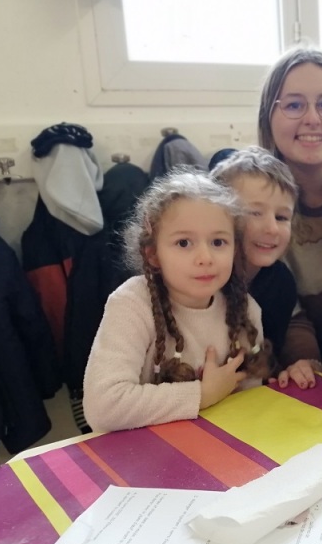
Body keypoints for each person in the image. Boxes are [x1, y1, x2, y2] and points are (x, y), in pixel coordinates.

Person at [83, 168, 271, 431]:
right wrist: (203, 395)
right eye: (184, 243)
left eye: (218, 242)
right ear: (153, 254)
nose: (205, 257)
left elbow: (251, 404)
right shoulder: (132, 304)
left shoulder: (246, 310)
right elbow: (102, 407)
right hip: (144, 451)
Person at [258, 46, 322, 381]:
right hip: (293, 375)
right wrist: (307, 362)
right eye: (293, 105)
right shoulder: (246, 199)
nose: (312, 119)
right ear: (268, 117)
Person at [211, 146, 316, 389]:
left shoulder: (281, 285)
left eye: (282, 217)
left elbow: (265, 366)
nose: (272, 228)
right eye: (255, 213)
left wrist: (293, 369)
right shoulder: (197, 278)